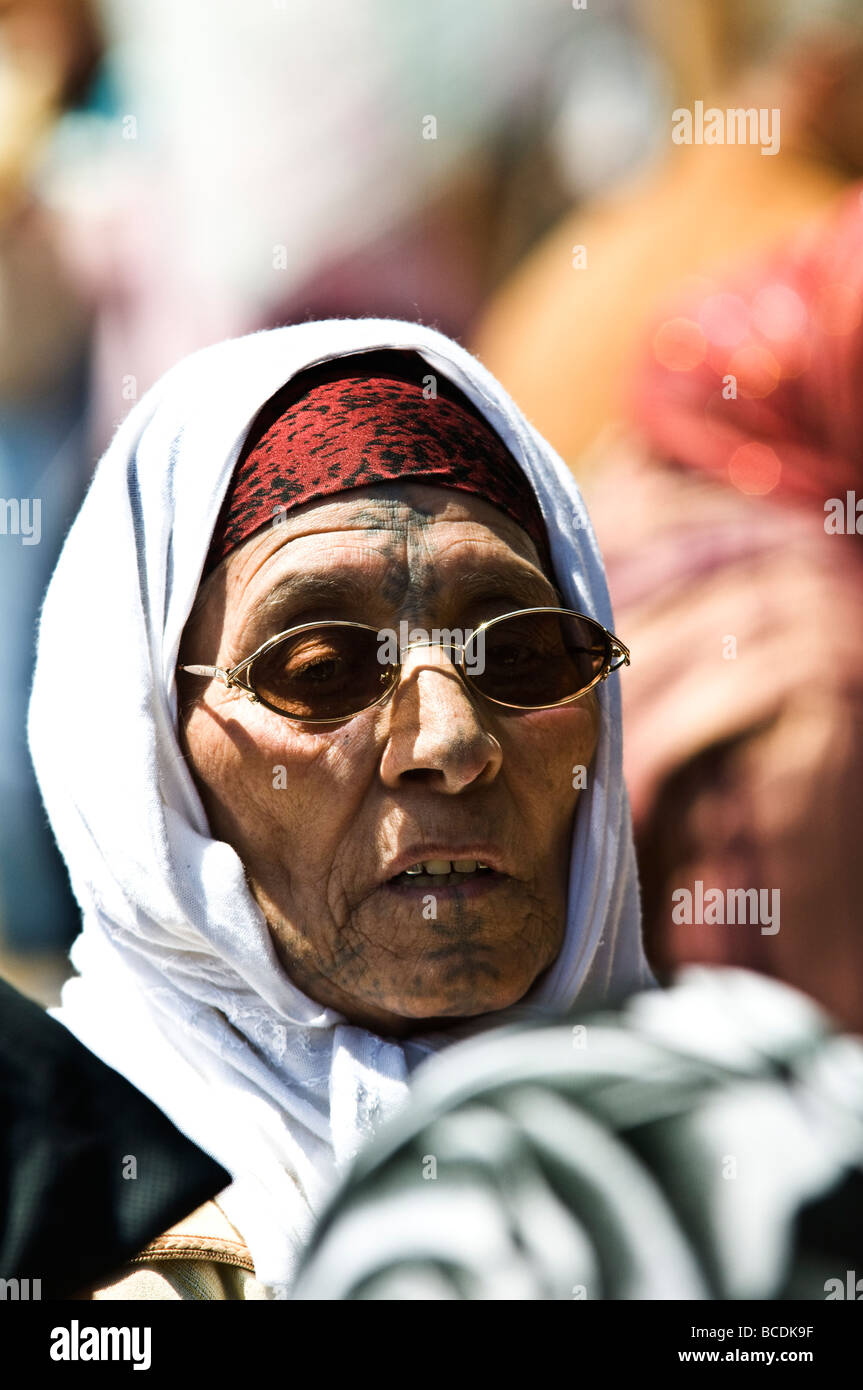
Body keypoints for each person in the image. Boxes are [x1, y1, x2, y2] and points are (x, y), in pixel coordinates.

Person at [28, 319, 653, 1299]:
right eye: (319, 669)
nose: (450, 743)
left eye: (521, 654)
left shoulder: (751, 1186)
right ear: (148, 762)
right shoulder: (67, 1237)